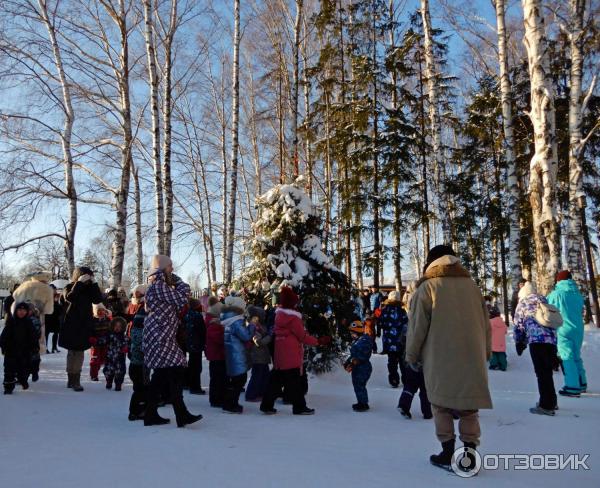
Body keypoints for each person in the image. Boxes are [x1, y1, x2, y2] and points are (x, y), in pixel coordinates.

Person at [406, 245, 492, 473]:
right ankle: (470, 453)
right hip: (471, 356)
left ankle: (447, 452)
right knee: (469, 408)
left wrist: (412, 355)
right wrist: (486, 351)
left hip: (439, 357)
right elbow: (486, 323)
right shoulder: (472, 286)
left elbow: (416, 328)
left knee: (441, 405)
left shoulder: (428, 287)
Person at [142, 255, 202, 428]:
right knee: (175, 369)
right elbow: (182, 299)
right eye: (170, 267)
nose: (172, 270)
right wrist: (180, 282)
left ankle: (151, 414)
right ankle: (180, 415)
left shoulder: (159, 285)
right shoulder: (159, 285)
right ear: (162, 268)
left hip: (161, 335)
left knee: (161, 375)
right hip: (160, 336)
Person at [260, 287, 330, 416]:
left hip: (280, 352)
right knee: (294, 382)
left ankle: (266, 405)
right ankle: (299, 407)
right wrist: (318, 341)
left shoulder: (279, 315)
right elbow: (302, 336)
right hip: (291, 354)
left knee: (275, 381)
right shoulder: (293, 318)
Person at [514, 281, 558, 415]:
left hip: (537, 341)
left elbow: (519, 324)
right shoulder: (543, 299)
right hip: (551, 340)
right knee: (547, 372)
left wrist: (520, 342)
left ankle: (546, 405)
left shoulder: (523, 303)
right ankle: (551, 401)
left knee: (541, 373)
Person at [59, 266, 104, 392]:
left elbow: (98, 299)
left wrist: (94, 283)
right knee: (71, 353)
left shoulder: (89, 290)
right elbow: (70, 297)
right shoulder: (69, 287)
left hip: (83, 325)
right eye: (86, 276)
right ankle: (71, 378)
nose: (87, 279)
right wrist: (78, 283)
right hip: (71, 325)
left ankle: (76, 380)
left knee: (78, 353)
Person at [547, 270, 587, 397]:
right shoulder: (577, 294)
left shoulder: (556, 294)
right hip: (578, 329)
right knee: (576, 356)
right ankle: (582, 383)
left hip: (563, 328)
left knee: (566, 357)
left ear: (559, 280)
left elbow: (547, 307)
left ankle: (572, 386)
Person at [222, 295, 254, 413]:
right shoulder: (236, 321)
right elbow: (246, 336)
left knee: (235, 380)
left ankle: (229, 403)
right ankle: (231, 404)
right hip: (237, 354)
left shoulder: (228, 319)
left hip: (231, 353)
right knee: (239, 379)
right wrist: (252, 325)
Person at [12, 272, 54, 354]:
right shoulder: (47, 289)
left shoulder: (24, 286)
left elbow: (15, 295)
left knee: (21, 335)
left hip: (21, 314)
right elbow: (49, 310)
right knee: (36, 337)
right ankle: (34, 355)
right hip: (37, 317)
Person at [1, 303, 38, 394]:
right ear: (16, 311)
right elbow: (3, 337)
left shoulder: (29, 323)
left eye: (24, 310)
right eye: (19, 310)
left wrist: (34, 348)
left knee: (23, 369)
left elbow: (33, 338)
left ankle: (22, 380)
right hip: (11, 351)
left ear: (27, 312)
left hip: (24, 352)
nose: (21, 312)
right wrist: (4, 347)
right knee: (9, 371)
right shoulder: (11, 322)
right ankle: (8, 388)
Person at [127, 285, 148, 421]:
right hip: (139, 364)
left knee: (140, 387)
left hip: (136, 363)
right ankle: (135, 411)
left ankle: (140, 409)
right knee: (141, 388)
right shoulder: (139, 333)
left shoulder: (135, 329)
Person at [378, 290, 407, 388]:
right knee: (403, 361)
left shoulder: (385, 311)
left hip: (389, 342)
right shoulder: (402, 311)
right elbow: (407, 324)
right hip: (401, 342)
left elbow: (380, 323)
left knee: (392, 361)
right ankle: (406, 380)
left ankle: (394, 379)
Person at [344, 320, 373, 412]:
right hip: (357, 367)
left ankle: (363, 403)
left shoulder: (364, 341)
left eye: (352, 333)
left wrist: (353, 362)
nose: (351, 335)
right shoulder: (357, 341)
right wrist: (348, 362)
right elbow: (353, 355)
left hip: (363, 368)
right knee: (357, 384)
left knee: (360, 384)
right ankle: (361, 401)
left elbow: (362, 355)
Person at [245, 305, 271, 402]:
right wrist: (270, 336)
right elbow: (258, 342)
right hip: (257, 356)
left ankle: (261, 392)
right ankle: (251, 395)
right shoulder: (253, 327)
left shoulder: (259, 326)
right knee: (257, 375)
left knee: (264, 375)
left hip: (262, 355)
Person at [181, 297, 206, 395]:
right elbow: (202, 331)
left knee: (190, 364)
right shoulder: (197, 316)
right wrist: (204, 341)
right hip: (196, 343)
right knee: (196, 366)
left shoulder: (186, 314)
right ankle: (195, 387)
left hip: (187, 342)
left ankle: (186, 382)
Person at [205, 296, 226, 408]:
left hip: (217, 354)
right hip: (216, 355)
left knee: (219, 377)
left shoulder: (213, 321)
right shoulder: (213, 323)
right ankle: (216, 399)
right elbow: (218, 339)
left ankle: (218, 397)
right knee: (217, 378)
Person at [104, 317, 128, 391]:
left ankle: (118, 384)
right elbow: (103, 340)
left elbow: (129, 344)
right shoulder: (109, 335)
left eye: (119, 326)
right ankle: (109, 381)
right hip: (110, 357)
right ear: (112, 326)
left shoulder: (124, 337)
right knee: (108, 371)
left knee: (120, 372)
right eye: (116, 326)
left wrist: (126, 348)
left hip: (119, 358)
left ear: (123, 328)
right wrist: (96, 341)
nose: (117, 328)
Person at [89, 303, 111, 381]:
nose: (101, 312)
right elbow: (89, 331)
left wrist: (109, 338)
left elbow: (110, 330)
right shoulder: (92, 320)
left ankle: (108, 375)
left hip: (105, 342)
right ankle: (94, 375)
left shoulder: (107, 320)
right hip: (96, 343)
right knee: (95, 359)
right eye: (98, 310)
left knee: (106, 359)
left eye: (102, 310)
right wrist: (91, 338)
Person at [488, 305, 508, 371]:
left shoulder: (490, 322)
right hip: (501, 342)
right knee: (501, 354)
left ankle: (494, 365)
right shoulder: (502, 322)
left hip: (493, 341)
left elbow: (487, 331)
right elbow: (505, 331)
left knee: (493, 354)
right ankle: (503, 366)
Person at [45, 285, 63, 354]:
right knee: (47, 333)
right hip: (48, 317)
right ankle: (46, 348)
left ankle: (54, 347)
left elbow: (59, 307)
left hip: (56, 317)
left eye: (54, 289)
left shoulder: (57, 296)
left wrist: (56, 301)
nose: (54, 290)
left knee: (56, 333)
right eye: (53, 289)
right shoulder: (46, 297)